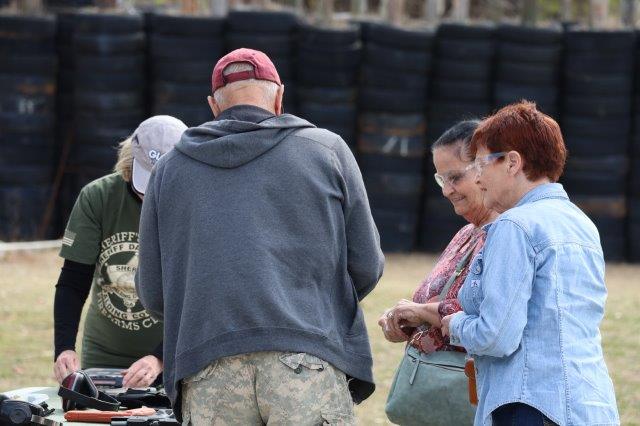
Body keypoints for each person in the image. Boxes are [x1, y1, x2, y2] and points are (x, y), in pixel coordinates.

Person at [135, 48, 384, 425]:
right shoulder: (327, 151)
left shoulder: (168, 170)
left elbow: (153, 292)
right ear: (279, 96)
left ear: (213, 106)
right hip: (306, 360)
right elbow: (366, 264)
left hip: (206, 365)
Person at [442, 101, 619, 425]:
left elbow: (495, 336)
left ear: (512, 162)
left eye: (481, 165)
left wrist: (454, 324)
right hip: (590, 406)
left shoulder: (515, 226)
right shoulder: (581, 224)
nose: (478, 180)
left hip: (530, 407)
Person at [53, 115, 187, 388]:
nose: (151, 196)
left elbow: (198, 293)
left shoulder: (194, 204)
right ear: (129, 160)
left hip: (177, 352)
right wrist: (64, 348)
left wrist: (160, 357)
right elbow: (73, 281)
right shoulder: (98, 197)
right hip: (105, 353)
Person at [378, 120, 496, 354]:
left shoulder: (506, 235)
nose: (446, 190)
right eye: (441, 179)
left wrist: (420, 312)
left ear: (484, 169)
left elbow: (488, 316)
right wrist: (403, 319)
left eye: (455, 178)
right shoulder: (467, 233)